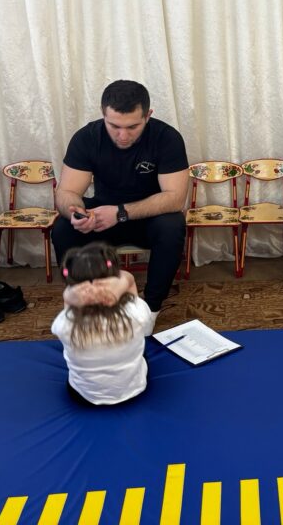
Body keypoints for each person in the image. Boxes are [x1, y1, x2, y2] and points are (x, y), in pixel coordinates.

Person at [52, 80, 188, 319]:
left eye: (133, 126)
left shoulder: (167, 138)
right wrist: (77, 213)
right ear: (103, 114)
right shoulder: (86, 138)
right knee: (63, 227)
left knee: (173, 225)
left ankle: (151, 308)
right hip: (102, 216)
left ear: (148, 115)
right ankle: (86, 300)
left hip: (147, 218)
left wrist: (121, 212)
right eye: (114, 126)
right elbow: (66, 192)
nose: (123, 135)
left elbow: (175, 199)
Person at [51, 242, 154, 406]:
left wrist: (73, 294)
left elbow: (68, 304)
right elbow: (129, 280)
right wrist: (119, 285)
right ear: (114, 279)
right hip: (133, 390)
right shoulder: (136, 313)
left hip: (83, 396)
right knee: (142, 350)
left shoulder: (64, 325)